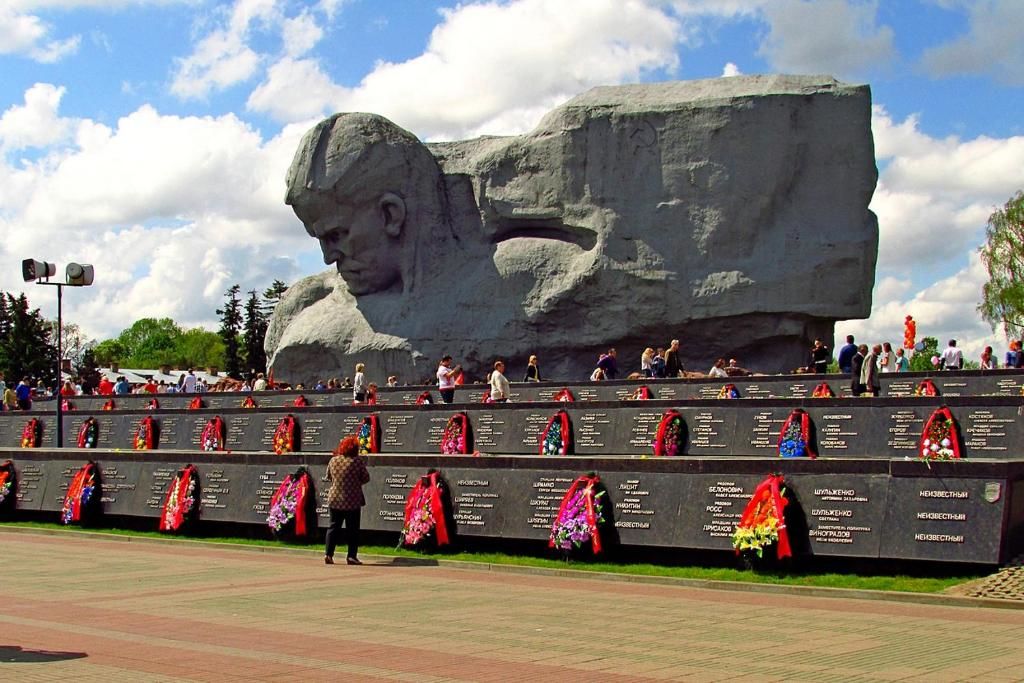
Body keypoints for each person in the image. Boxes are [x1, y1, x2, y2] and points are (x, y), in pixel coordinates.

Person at [324, 435, 370, 566]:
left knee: (333, 527)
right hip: (352, 500)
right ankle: (351, 556)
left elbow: (328, 477)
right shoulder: (357, 462)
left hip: (335, 499)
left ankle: (328, 554)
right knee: (353, 529)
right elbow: (366, 478)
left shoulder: (333, 461)